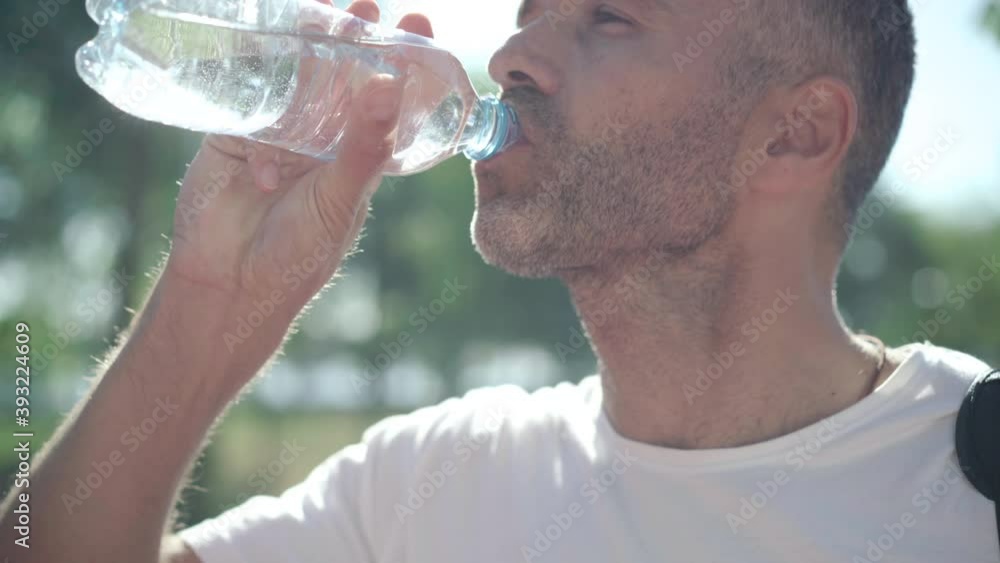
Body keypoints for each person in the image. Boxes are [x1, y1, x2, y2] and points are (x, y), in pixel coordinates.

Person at [2, 0, 997, 561]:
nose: (512, 55)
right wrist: (210, 300)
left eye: (609, 18)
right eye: (527, 16)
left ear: (796, 133)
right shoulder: (429, 482)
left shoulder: (971, 483)